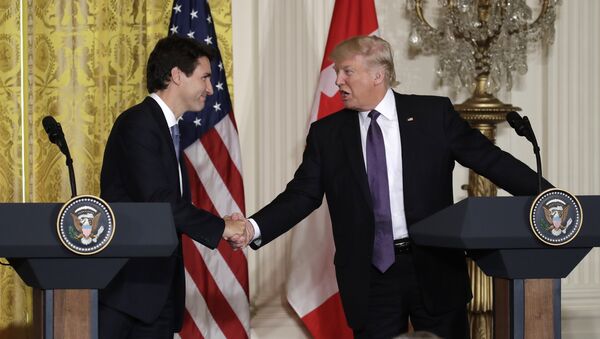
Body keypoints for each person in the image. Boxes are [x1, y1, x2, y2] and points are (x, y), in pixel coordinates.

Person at [229, 35, 550, 339]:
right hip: (370, 277)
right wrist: (253, 227)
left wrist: (552, 199)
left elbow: (491, 161)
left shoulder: (432, 115)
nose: (338, 80)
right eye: (338, 72)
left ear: (378, 75)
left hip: (434, 266)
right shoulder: (327, 134)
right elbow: (302, 194)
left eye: (347, 71)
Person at [98, 35, 247, 339]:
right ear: (177, 75)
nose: (209, 88)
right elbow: (158, 203)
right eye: (204, 77)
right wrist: (223, 227)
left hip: (156, 293)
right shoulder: (138, 123)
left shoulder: (166, 129)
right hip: (129, 295)